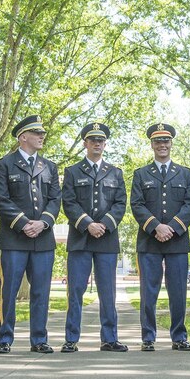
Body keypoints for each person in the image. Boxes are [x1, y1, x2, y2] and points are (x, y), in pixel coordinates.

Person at [0, 115, 61, 354]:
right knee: (8, 291)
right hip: (13, 240)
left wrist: (42, 223)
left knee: (41, 292)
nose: (42, 136)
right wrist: (23, 223)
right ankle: (4, 339)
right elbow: (1, 199)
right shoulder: (5, 164)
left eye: (42, 133)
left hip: (43, 239)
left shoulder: (49, 167)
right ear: (23, 137)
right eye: (36, 133)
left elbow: (55, 200)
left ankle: (39, 339)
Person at [60, 123, 128, 353]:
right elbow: (68, 202)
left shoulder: (116, 172)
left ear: (105, 143)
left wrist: (104, 225)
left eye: (101, 140)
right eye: (92, 140)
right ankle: (71, 339)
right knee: (76, 290)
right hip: (80, 238)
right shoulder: (72, 171)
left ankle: (109, 338)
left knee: (108, 292)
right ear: (85, 143)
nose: (97, 143)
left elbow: (120, 204)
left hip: (106, 239)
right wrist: (88, 224)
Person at [130, 123, 190, 351]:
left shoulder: (185, 174)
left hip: (177, 241)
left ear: (171, 144)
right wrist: (156, 227)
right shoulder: (140, 174)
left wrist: (173, 227)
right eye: (158, 141)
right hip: (149, 241)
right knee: (149, 292)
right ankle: (148, 337)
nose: (162, 145)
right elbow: (137, 205)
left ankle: (179, 336)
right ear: (152, 145)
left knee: (178, 291)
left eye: (166, 141)